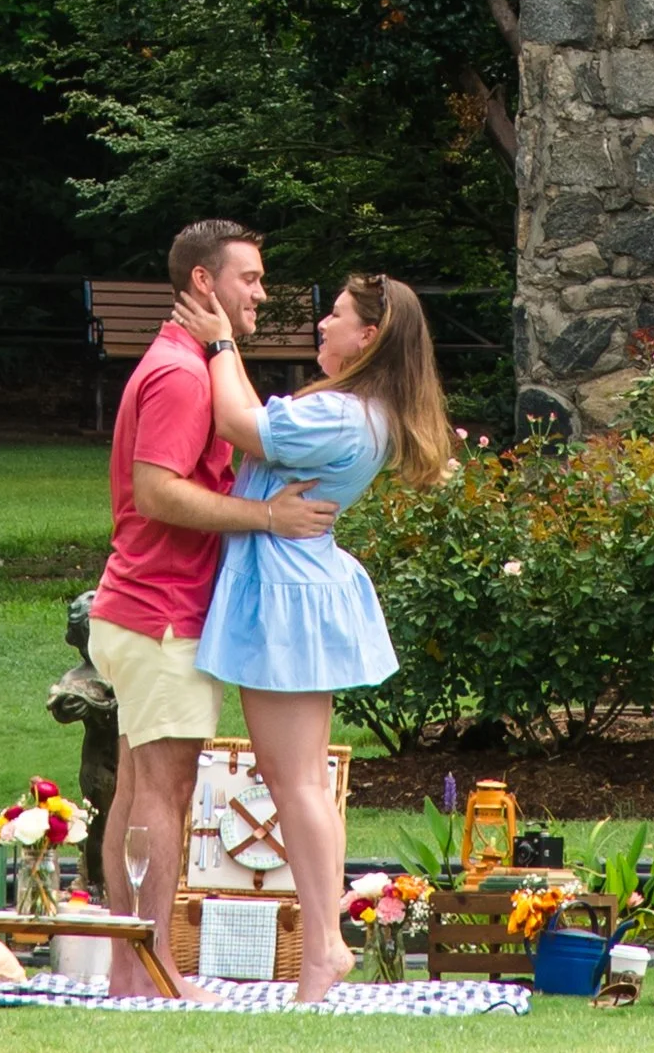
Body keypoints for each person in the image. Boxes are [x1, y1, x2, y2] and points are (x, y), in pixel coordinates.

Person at [182, 270, 455, 1000]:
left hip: (288, 598)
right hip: (296, 589)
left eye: (333, 315)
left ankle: (323, 949)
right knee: (300, 782)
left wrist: (218, 340)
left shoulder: (342, 412)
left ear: (369, 335)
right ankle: (325, 946)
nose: (320, 325)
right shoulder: (354, 408)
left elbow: (240, 425)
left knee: (297, 782)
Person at [87, 219, 336, 991]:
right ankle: (154, 968)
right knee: (164, 791)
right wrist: (269, 517)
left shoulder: (189, 363)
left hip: (142, 609)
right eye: (250, 278)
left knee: (136, 787)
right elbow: (159, 490)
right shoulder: (182, 375)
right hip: (161, 611)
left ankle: (132, 969)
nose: (261, 292)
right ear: (205, 281)